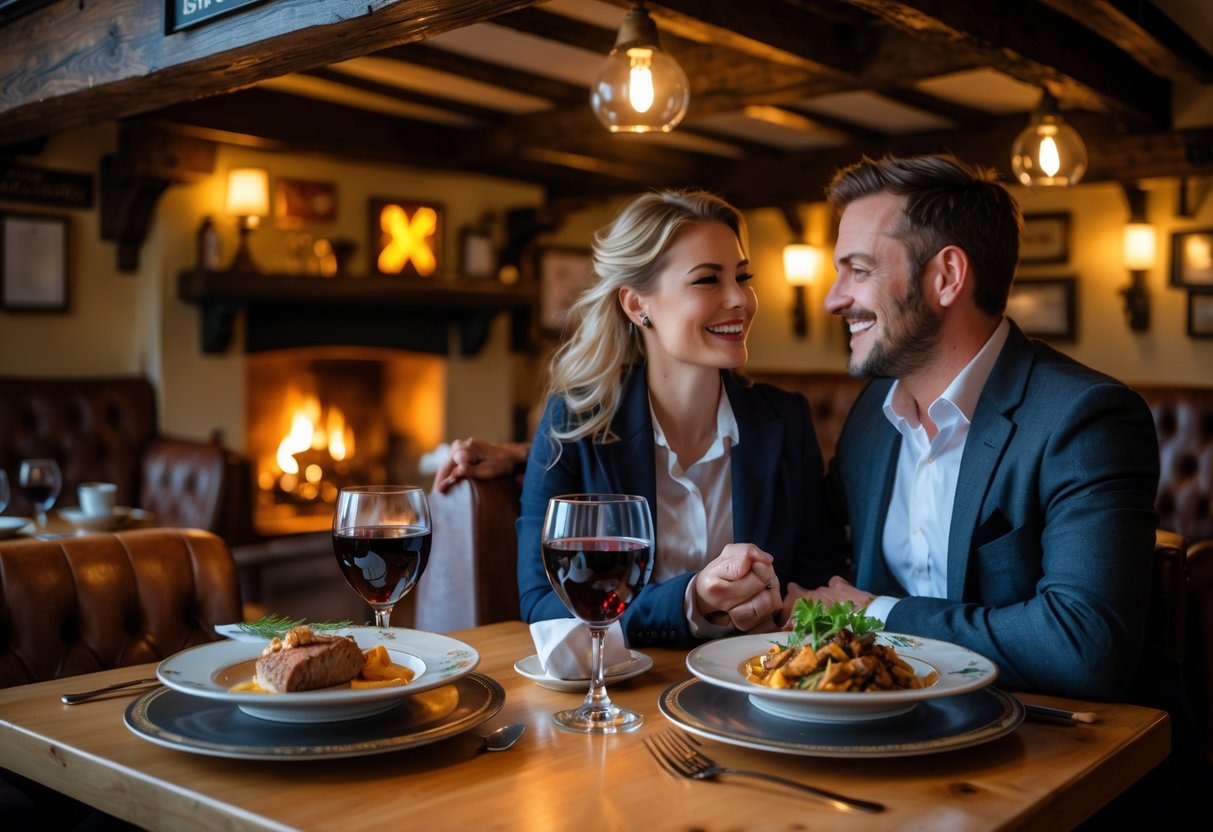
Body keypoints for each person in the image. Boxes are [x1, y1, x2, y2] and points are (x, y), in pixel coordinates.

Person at [782, 152, 1209, 818]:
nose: (834, 297)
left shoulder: (1084, 415)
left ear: (946, 275)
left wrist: (875, 615)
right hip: (890, 757)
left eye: (857, 270)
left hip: (1075, 773)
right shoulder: (872, 416)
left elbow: (1081, 647)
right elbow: (811, 556)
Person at [439, 188, 845, 646]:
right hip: (621, 699)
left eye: (742, 276)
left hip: (756, 688)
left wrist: (792, 608)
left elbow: (819, 577)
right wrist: (690, 600)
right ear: (636, 305)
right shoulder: (573, 422)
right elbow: (541, 602)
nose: (740, 299)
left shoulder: (786, 421)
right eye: (707, 280)